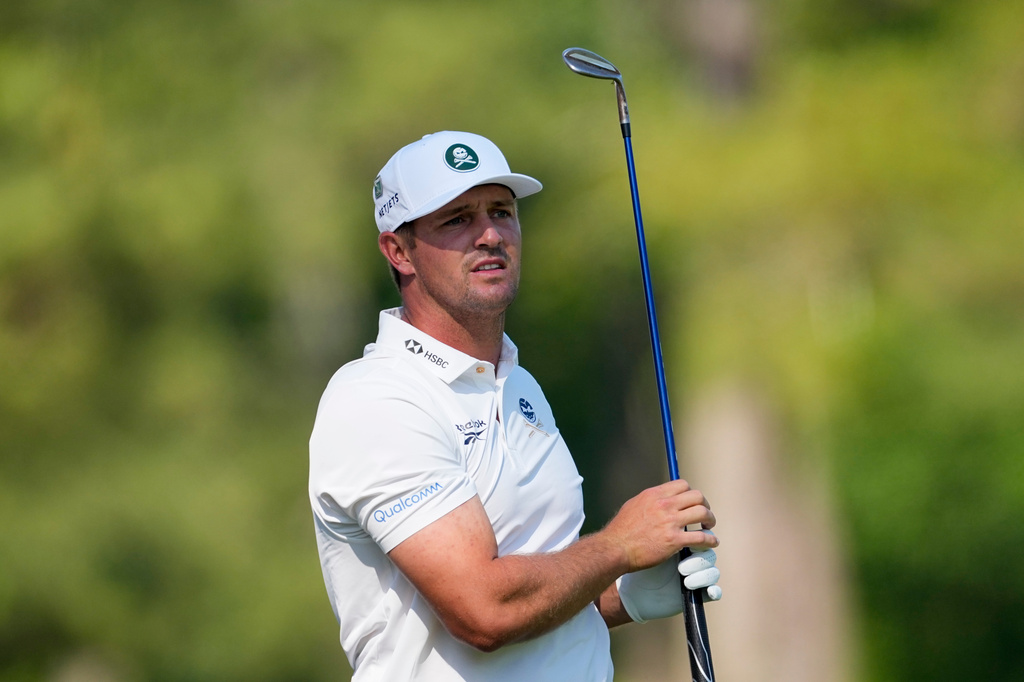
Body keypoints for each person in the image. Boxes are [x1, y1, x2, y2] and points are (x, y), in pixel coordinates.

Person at [308, 131, 722, 681]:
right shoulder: (378, 399)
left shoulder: (518, 384)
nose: (489, 235)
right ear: (399, 251)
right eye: (456, 220)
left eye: (501, 211)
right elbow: (483, 612)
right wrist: (621, 545)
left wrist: (628, 594)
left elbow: (545, 586)